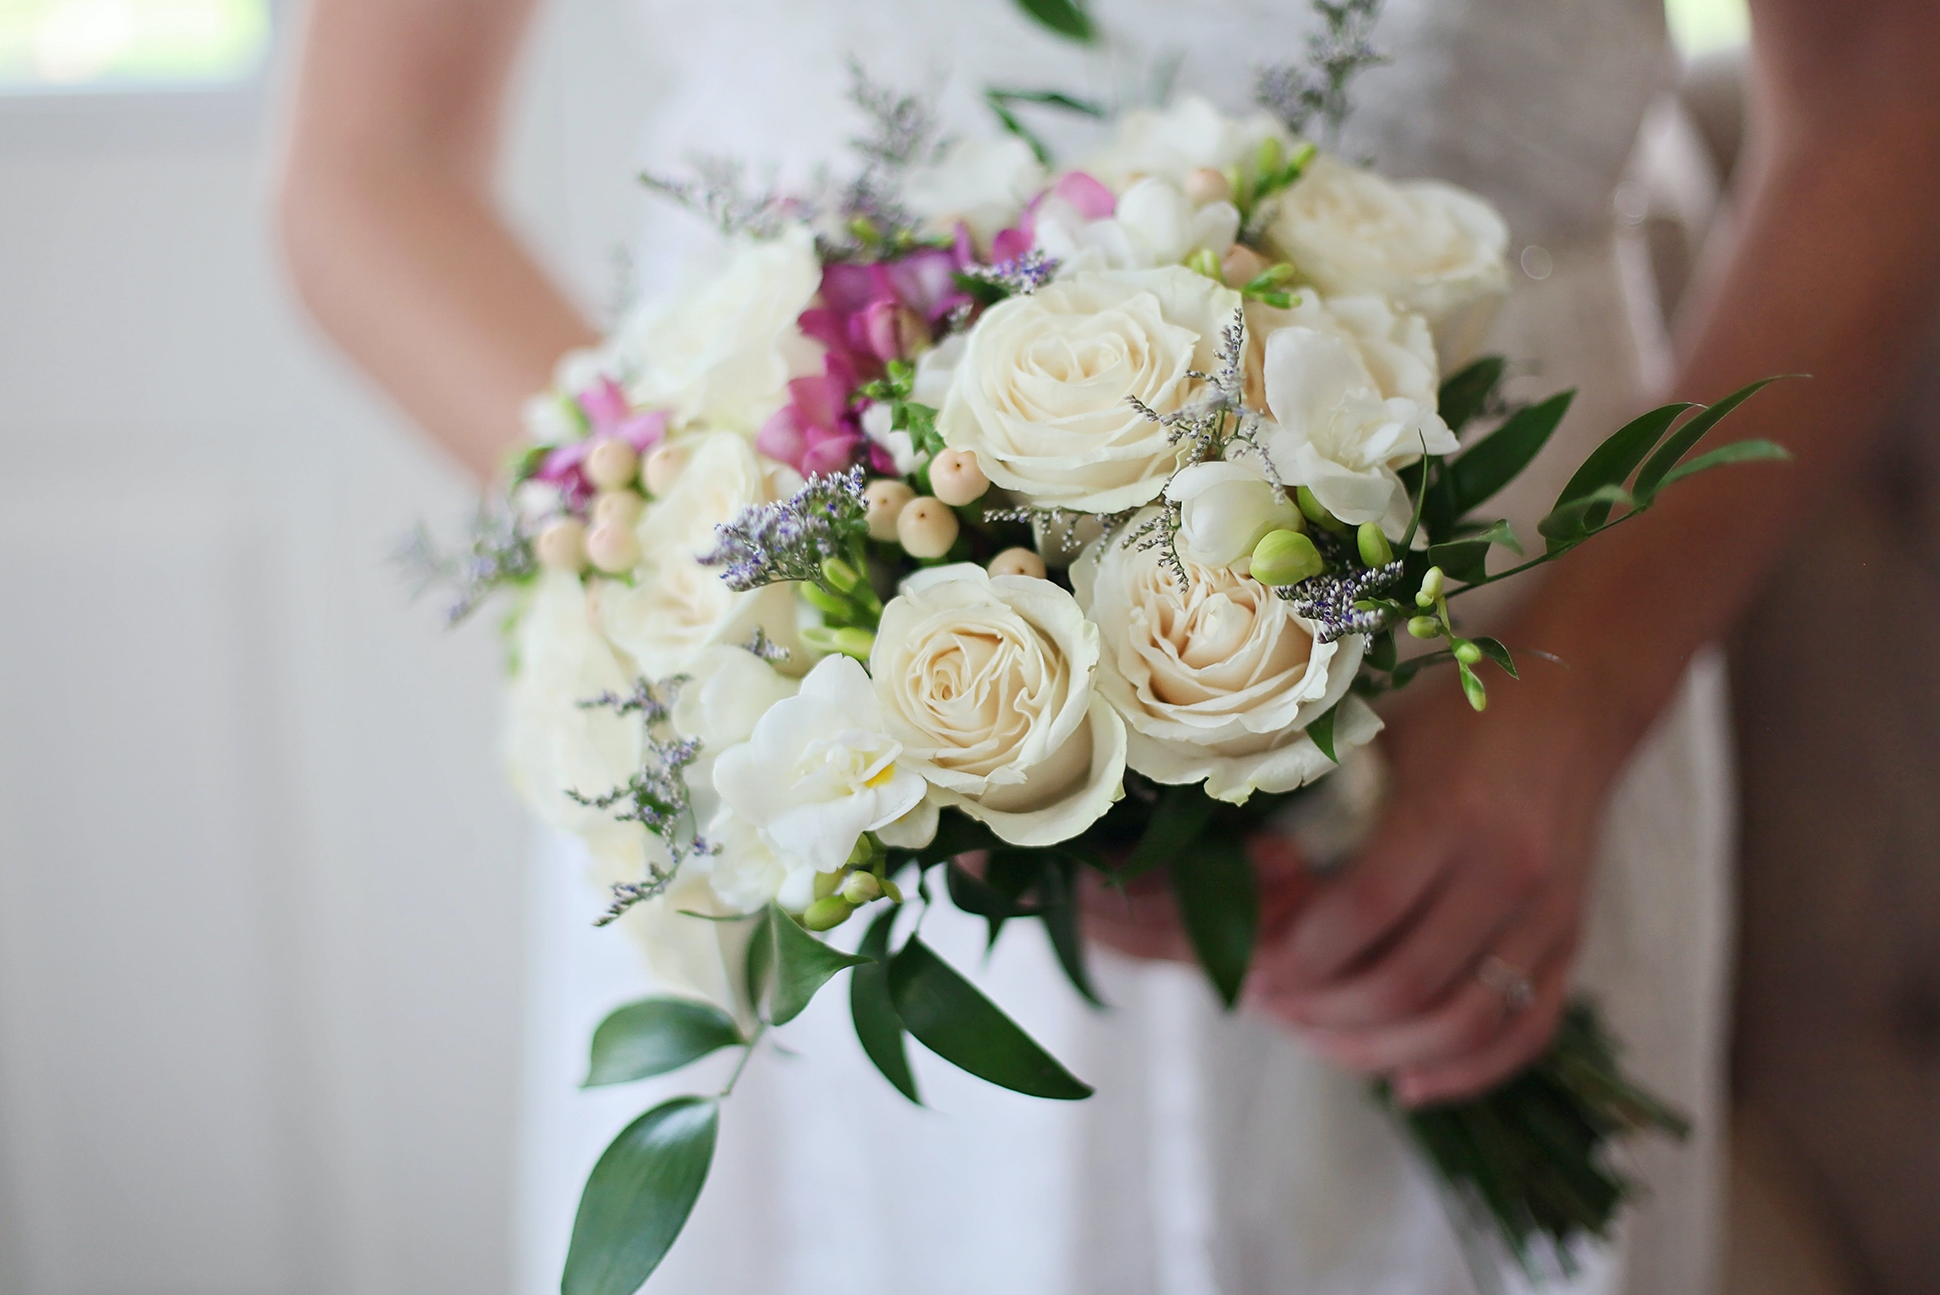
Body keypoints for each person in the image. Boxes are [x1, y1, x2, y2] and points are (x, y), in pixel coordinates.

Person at [277, 1, 1940, 1291]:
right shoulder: (807, 661)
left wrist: (1576, 716)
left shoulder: (1546, 723)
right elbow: (369, 174)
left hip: (1508, 694)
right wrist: (775, 611)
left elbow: (1883, 96)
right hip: (826, 748)